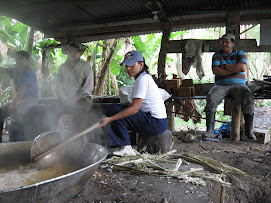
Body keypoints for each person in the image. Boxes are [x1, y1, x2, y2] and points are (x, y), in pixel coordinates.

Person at [99, 50, 168, 156]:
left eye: (131, 65)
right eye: (126, 65)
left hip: (155, 122)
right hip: (157, 121)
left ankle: (126, 146)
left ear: (141, 65)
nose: (128, 68)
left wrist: (109, 119)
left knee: (115, 110)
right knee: (117, 109)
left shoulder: (143, 79)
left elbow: (134, 109)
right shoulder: (143, 77)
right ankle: (119, 144)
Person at [203, 33, 256, 141]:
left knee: (248, 98)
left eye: (227, 42)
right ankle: (210, 130)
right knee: (211, 98)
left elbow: (242, 68)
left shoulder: (240, 53)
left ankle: (248, 130)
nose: (224, 44)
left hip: (239, 85)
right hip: (220, 85)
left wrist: (225, 67)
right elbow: (216, 70)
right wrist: (233, 70)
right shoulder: (217, 55)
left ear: (233, 43)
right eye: (222, 42)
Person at [55, 41, 94, 134]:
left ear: (80, 53)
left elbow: (87, 87)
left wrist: (74, 99)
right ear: (67, 52)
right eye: (70, 51)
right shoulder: (62, 68)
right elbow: (58, 87)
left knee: (82, 111)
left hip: (82, 98)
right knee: (53, 110)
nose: (73, 53)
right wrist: (65, 100)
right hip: (65, 99)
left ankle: (81, 135)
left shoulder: (86, 67)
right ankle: (57, 136)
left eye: (75, 51)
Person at [0, 50, 39, 142]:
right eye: (17, 59)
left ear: (27, 61)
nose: (19, 61)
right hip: (20, 100)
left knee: (16, 111)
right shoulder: (15, 70)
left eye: (21, 59)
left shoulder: (30, 73)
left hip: (31, 100)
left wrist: (13, 103)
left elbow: (23, 89)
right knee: (1, 111)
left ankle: (20, 141)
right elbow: (4, 70)